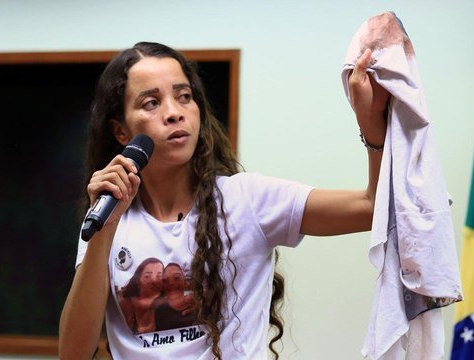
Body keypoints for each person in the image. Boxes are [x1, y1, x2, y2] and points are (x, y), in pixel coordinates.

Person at [58, 41, 388, 359]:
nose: (174, 113)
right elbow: (73, 354)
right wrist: (105, 229)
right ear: (121, 132)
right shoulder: (107, 218)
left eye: (184, 96)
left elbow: (373, 208)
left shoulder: (247, 200)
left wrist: (371, 119)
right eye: (151, 103)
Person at [117, 257, 164, 334]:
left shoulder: (168, 303)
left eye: (159, 276)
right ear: (138, 280)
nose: (154, 280)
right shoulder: (126, 305)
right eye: (147, 276)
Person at [153, 262, 198, 331]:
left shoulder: (199, 304)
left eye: (176, 278)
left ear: (185, 281)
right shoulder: (158, 312)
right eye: (165, 280)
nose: (171, 283)